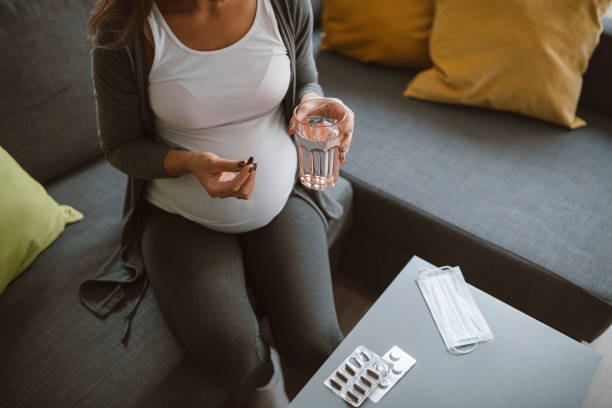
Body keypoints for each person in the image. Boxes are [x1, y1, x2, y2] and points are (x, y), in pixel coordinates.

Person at [84, 0, 354, 406]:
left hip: (283, 196)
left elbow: (305, 81)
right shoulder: (125, 31)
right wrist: (191, 163)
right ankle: (268, 381)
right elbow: (120, 148)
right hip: (179, 214)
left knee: (319, 345)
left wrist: (313, 105)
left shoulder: (282, 5)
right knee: (233, 359)